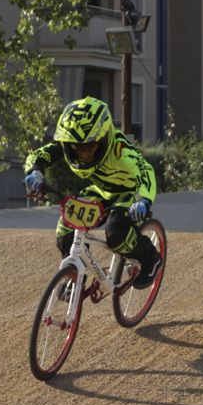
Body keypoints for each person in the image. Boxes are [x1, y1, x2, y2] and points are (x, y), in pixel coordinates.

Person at [23, 96, 162, 289]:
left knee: (116, 235)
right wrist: (34, 172)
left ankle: (150, 258)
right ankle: (73, 274)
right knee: (66, 227)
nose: (83, 153)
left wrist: (144, 200)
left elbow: (145, 170)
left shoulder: (120, 150)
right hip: (100, 190)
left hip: (128, 194)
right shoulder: (65, 146)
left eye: (89, 146)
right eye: (76, 147)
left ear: (104, 137)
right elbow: (38, 155)